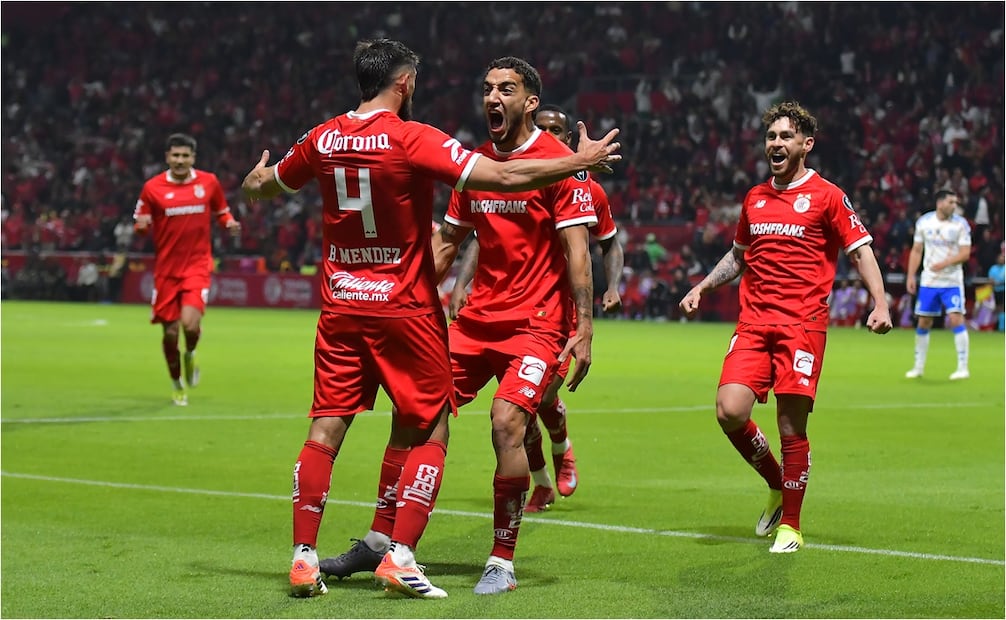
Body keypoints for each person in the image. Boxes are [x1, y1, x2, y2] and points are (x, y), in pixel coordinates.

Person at [241, 40, 620, 600]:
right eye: (488, 88)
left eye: (505, 89)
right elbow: (458, 228)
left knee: (496, 424)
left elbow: (577, 251)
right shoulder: (438, 148)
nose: (492, 97)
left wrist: (583, 326)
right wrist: (429, 285)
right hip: (445, 317)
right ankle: (387, 545)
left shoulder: (324, 135)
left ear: (531, 102)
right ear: (406, 83)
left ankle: (494, 556)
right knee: (422, 420)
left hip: (518, 323)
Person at [679, 101, 892, 554]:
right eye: (771, 136)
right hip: (754, 324)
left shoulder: (828, 196)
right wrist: (702, 286)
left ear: (806, 144)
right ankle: (778, 485)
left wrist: (879, 300)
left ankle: (791, 526)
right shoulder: (755, 197)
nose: (776, 144)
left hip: (802, 326)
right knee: (729, 410)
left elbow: (859, 249)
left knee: (790, 427)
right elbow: (738, 255)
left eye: (785, 136)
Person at [447, 103, 625, 513]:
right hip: (497, 312)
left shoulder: (585, 188)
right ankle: (542, 481)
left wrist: (612, 286)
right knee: (518, 410)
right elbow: (481, 233)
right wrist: (462, 283)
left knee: (540, 398)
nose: (551, 135)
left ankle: (561, 447)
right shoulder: (499, 176)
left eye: (556, 130)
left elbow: (608, 244)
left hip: (554, 314)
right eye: (543, 128)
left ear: (565, 138)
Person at [133, 133, 241, 406]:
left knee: (190, 326)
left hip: (197, 267)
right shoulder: (152, 188)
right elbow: (140, 222)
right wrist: (142, 225)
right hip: (167, 271)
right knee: (170, 333)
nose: (180, 160)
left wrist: (229, 223)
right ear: (167, 157)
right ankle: (176, 382)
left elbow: (221, 212)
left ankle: (190, 354)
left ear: (193, 157)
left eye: (185, 156)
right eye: (175, 155)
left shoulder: (208, 182)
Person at [904, 190, 973, 380]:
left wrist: (944, 263)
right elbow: (916, 250)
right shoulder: (924, 222)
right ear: (940, 203)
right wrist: (911, 276)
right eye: (951, 202)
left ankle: (963, 367)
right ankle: (918, 367)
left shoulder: (961, 224)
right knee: (924, 321)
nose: (954, 205)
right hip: (929, 282)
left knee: (955, 318)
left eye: (955, 202)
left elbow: (965, 253)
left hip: (951, 281)